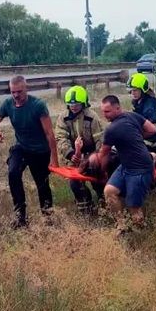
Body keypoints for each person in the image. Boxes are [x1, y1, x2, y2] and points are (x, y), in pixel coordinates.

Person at [0, 75, 59, 228]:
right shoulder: (8, 104)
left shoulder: (38, 105)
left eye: (19, 91)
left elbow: (49, 134)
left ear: (26, 88)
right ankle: (20, 217)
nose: (16, 95)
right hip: (21, 147)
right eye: (13, 92)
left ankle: (48, 218)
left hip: (40, 151)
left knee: (42, 185)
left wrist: (54, 158)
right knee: (13, 173)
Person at [95, 94, 156, 234]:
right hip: (126, 165)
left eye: (107, 111)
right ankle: (122, 225)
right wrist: (135, 135)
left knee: (133, 207)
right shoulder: (133, 115)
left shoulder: (112, 129)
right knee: (109, 191)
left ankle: (142, 235)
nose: (104, 115)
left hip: (141, 169)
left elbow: (103, 154)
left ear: (118, 108)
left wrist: (101, 172)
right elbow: (152, 130)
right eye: (103, 111)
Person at [54, 85, 105, 215]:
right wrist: (70, 154)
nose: (74, 106)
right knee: (75, 182)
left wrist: (97, 158)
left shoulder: (92, 117)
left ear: (84, 103)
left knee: (98, 180)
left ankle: (104, 203)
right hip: (72, 155)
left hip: (92, 154)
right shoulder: (63, 118)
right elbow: (60, 138)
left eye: (77, 103)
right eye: (70, 104)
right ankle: (86, 208)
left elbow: (100, 139)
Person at [126, 73, 156, 155]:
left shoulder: (150, 104)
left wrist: (134, 137)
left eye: (135, 90)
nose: (132, 93)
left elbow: (152, 130)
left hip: (153, 142)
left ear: (143, 89)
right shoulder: (137, 102)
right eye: (131, 90)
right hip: (144, 138)